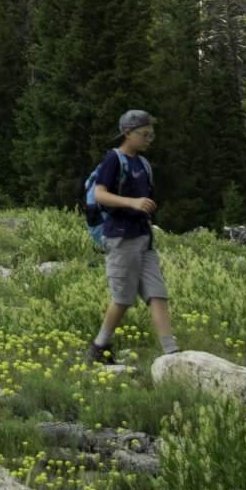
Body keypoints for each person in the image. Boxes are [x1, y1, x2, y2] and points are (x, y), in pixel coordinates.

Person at [88, 109, 179, 363]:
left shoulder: (143, 163)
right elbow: (100, 195)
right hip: (120, 237)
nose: (150, 138)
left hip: (143, 238)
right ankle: (99, 346)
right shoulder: (113, 160)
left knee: (157, 293)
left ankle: (171, 352)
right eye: (145, 133)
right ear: (127, 133)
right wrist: (133, 203)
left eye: (152, 133)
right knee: (123, 298)